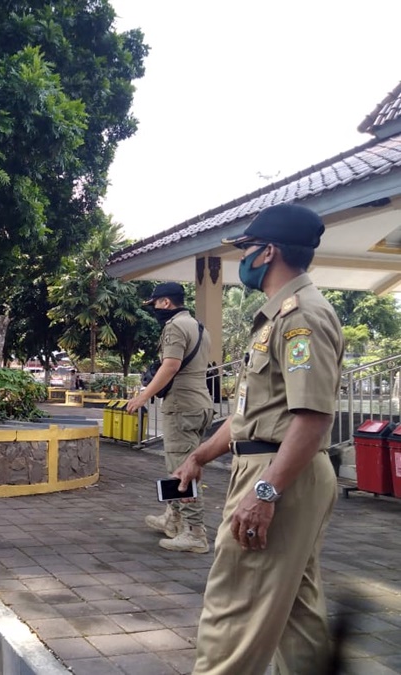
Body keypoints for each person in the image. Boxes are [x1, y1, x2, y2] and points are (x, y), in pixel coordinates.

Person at [172, 204, 344, 674]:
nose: (241, 259)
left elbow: (312, 417)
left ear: (268, 252)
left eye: (246, 249)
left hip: (278, 474)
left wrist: (265, 492)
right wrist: (200, 455)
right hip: (275, 466)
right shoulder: (276, 317)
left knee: (234, 611)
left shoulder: (301, 316)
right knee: (296, 610)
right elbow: (253, 413)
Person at [126, 281, 214, 553]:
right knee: (178, 464)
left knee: (182, 469)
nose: (154, 309)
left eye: (155, 304)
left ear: (165, 302)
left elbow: (171, 365)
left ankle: (194, 531)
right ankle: (173, 517)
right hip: (200, 404)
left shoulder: (174, 327)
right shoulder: (198, 326)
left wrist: (143, 396)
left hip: (181, 405)